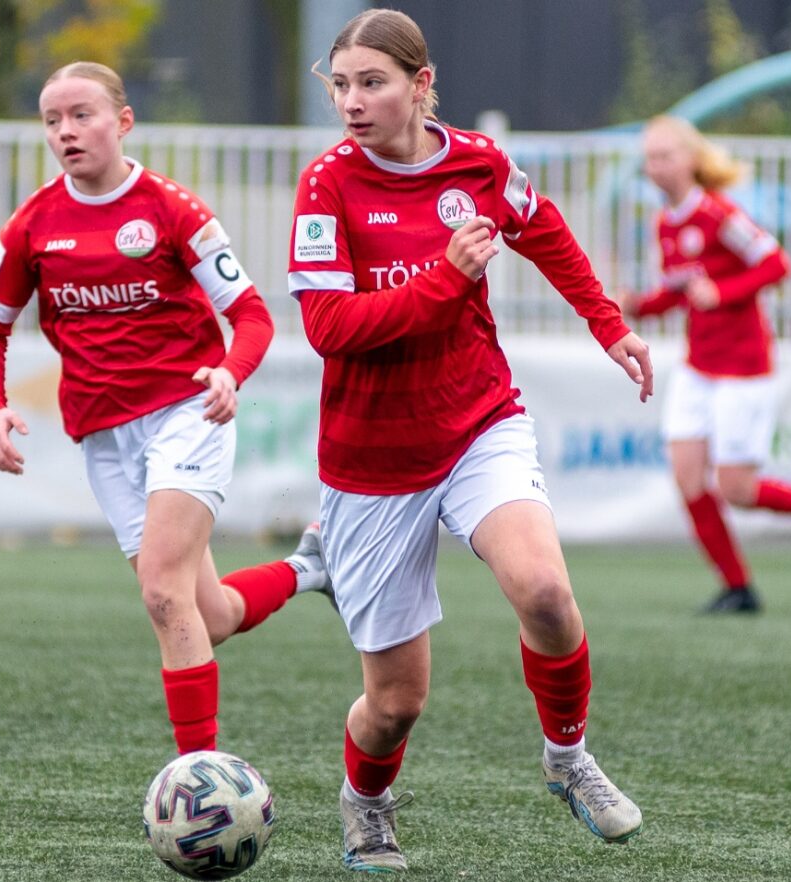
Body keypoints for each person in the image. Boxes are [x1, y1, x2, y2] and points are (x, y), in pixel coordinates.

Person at [290, 10, 652, 872]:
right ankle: (366, 805)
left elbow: (546, 231)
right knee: (396, 703)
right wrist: (446, 279)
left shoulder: (480, 166)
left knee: (546, 595)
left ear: (422, 84)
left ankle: (567, 757)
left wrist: (610, 327)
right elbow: (330, 328)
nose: (351, 101)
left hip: (476, 420)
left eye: (371, 82)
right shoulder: (326, 185)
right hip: (371, 461)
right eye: (339, 84)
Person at [0, 61, 330, 757]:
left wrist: (230, 373)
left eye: (82, 115)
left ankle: (200, 782)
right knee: (209, 613)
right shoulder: (31, 225)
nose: (66, 132)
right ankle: (310, 569)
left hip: (187, 415)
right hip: (104, 436)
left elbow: (252, 317)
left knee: (163, 594)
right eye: (52, 120)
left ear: (123, 122)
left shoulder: (172, 209)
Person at [621, 115, 791, 615]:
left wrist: (724, 291)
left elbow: (777, 263)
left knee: (738, 489)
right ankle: (738, 587)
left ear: (691, 159)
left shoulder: (718, 215)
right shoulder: (664, 224)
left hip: (744, 367)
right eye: (650, 157)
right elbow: (682, 292)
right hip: (698, 366)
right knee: (688, 475)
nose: (656, 166)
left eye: (665, 155)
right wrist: (639, 305)